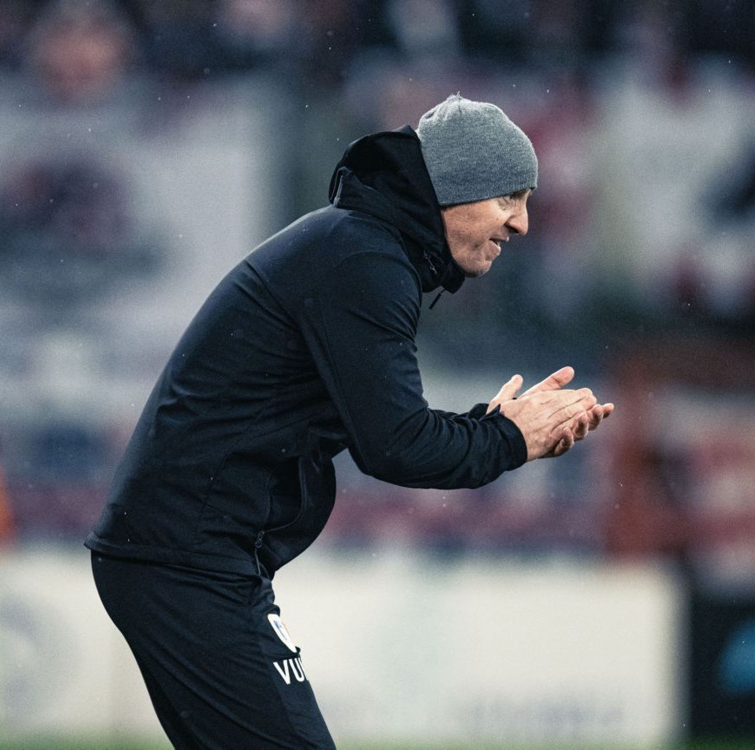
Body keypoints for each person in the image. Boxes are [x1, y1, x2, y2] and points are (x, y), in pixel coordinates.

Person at [86, 93, 614, 749]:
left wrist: (493, 429)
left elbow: (391, 432)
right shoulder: (366, 261)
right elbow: (397, 447)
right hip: (186, 561)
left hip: (181, 555)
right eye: (509, 197)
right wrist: (508, 437)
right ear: (455, 187)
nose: (523, 223)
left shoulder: (360, 247)